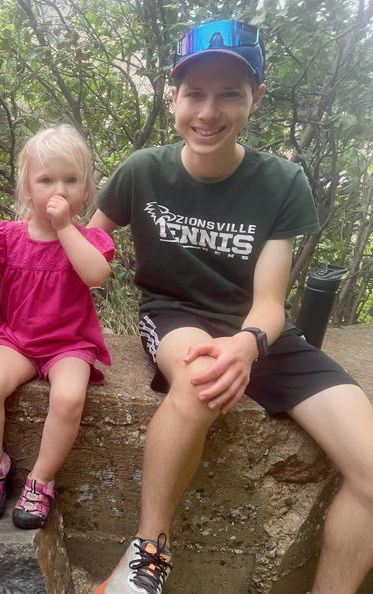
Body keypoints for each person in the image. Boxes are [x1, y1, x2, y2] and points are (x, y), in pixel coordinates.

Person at [89, 19, 373, 594]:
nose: (208, 111)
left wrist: (248, 345)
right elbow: (81, 252)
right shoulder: (143, 171)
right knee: (198, 382)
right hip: (172, 314)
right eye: (195, 93)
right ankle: (148, 558)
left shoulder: (281, 182)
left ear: (255, 99)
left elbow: (270, 303)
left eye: (229, 95)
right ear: (174, 97)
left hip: (261, 334)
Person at [0, 125, 114, 530]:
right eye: (47, 180)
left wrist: (65, 229)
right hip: (18, 339)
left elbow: (96, 275)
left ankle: (40, 479)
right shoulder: (8, 237)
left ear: (86, 191)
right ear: (28, 190)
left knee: (68, 398)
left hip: (70, 343)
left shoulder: (88, 238)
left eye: (71, 180)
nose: (59, 190)